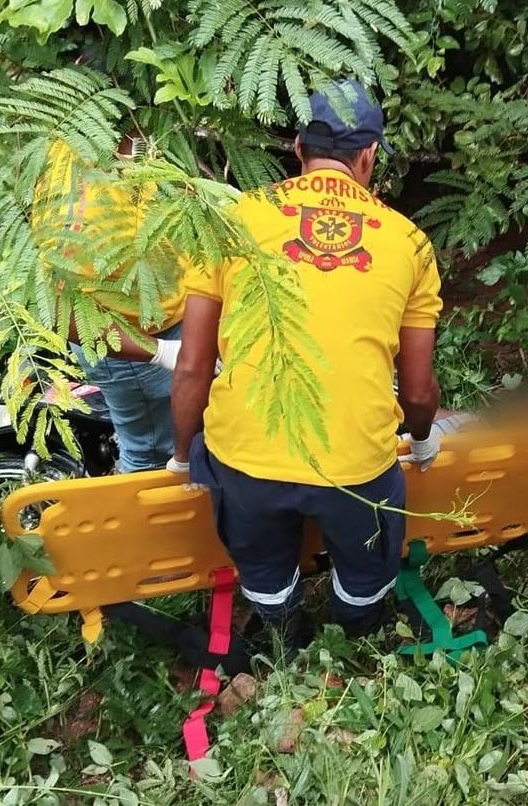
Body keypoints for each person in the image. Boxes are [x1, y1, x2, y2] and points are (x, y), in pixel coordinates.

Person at [169, 80, 442, 645]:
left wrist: (180, 455)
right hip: (356, 466)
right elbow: (417, 392)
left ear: (297, 148)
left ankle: (280, 629)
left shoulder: (231, 220)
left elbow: (193, 367)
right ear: (369, 157)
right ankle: (356, 628)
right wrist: (421, 442)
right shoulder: (410, 243)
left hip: (244, 460)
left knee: (263, 568)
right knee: (367, 569)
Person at [32, 131, 186, 472]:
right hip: (133, 348)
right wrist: (159, 352)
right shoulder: (82, 206)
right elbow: (59, 309)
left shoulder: (144, 139)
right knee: (154, 453)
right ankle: (145, 522)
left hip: (171, 318)